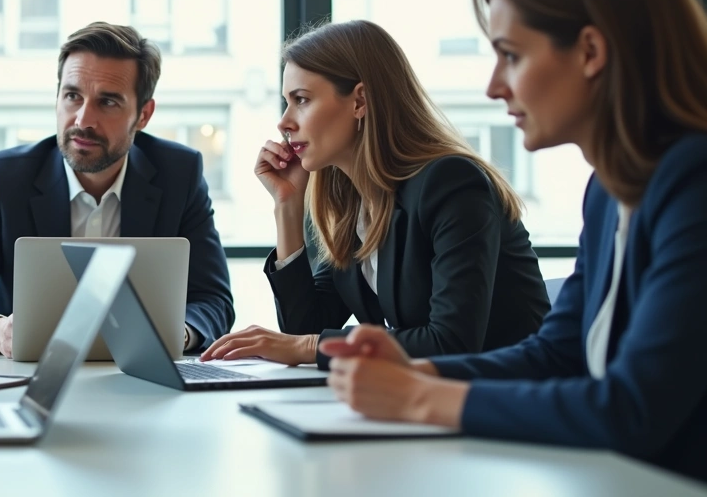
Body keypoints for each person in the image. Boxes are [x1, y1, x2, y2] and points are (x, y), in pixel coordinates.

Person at [319, 0, 707, 482]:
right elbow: (556, 354)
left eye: (512, 56)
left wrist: (419, 399)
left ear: (591, 51)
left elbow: (633, 409)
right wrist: (416, 368)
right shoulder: (609, 192)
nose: (494, 86)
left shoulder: (693, 183)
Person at [201, 20, 549, 369]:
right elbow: (304, 327)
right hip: (433, 401)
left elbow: (450, 342)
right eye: (286, 102)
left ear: (360, 101)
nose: (284, 122)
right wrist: (287, 206)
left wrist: (308, 345)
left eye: (301, 100)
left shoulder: (449, 182)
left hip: (512, 402)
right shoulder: (356, 203)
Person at [0, 22, 235, 356]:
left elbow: (213, 301)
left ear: (143, 115)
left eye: (108, 102)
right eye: (72, 96)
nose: (84, 120)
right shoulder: (4, 178)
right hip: (28, 378)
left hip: (142, 383)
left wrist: (177, 335)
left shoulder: (179, 175)